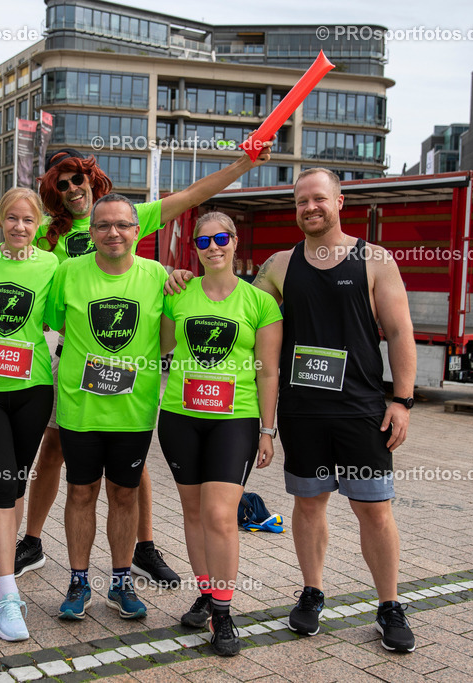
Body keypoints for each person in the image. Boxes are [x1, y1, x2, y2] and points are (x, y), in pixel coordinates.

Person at [0, 132, 272, 585]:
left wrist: (244, 164)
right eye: (61, 184)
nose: (72, 189)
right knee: (54, 449)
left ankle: (144, 546)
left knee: (129, 465)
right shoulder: (47, 228)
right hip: (74, 353)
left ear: (93, 178)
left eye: (77, 178)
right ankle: (33, 540)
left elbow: (194, 194)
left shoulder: (129, 215)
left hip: (129, 361)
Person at [250, 168, 418, 653]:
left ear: (340, 201)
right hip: (302, 412)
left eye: (319, 199)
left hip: (362, 412)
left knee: (375, 511)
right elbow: (238, 308)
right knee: (308, 506)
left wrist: (402, 401)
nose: (310, 208)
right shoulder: (280, 265)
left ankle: (388, 605)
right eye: (301, 201)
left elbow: (401, 332)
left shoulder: (375, 260)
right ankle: (312, 591)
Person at [158, 212, 282, 656]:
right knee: (193, 512)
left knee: (219, 514)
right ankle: (207, 594)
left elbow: (269, 372)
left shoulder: (259, 303)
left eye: (222, 238)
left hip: (235, 419)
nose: (214, 246)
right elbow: (161, 348)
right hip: (180, 416)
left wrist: (268, 430)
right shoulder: (178, 294)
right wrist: (168, 283)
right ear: (194, 247)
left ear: (235, 242)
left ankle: (224, 614)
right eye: (204, 240)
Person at [45, 194, 167, 621]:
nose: (112, 232)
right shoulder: (67, 272)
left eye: (122, 225)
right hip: (80, 408)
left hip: (134, 410)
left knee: (125, 494)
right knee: (80, 492)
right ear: (91, 232)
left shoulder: (158, 276)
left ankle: (120, 581)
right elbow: (55, 323)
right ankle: (79, 582)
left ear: (137, 230)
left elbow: (169, 337)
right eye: (103, 226)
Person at [0, 188, 58, 642]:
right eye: (11, 218)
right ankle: (7, 594)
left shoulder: (50, 265)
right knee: (2, 483)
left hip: (34, 390)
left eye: (28, 219)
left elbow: (64, 316)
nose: (19, 226)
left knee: (16, 481)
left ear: (39, 224)